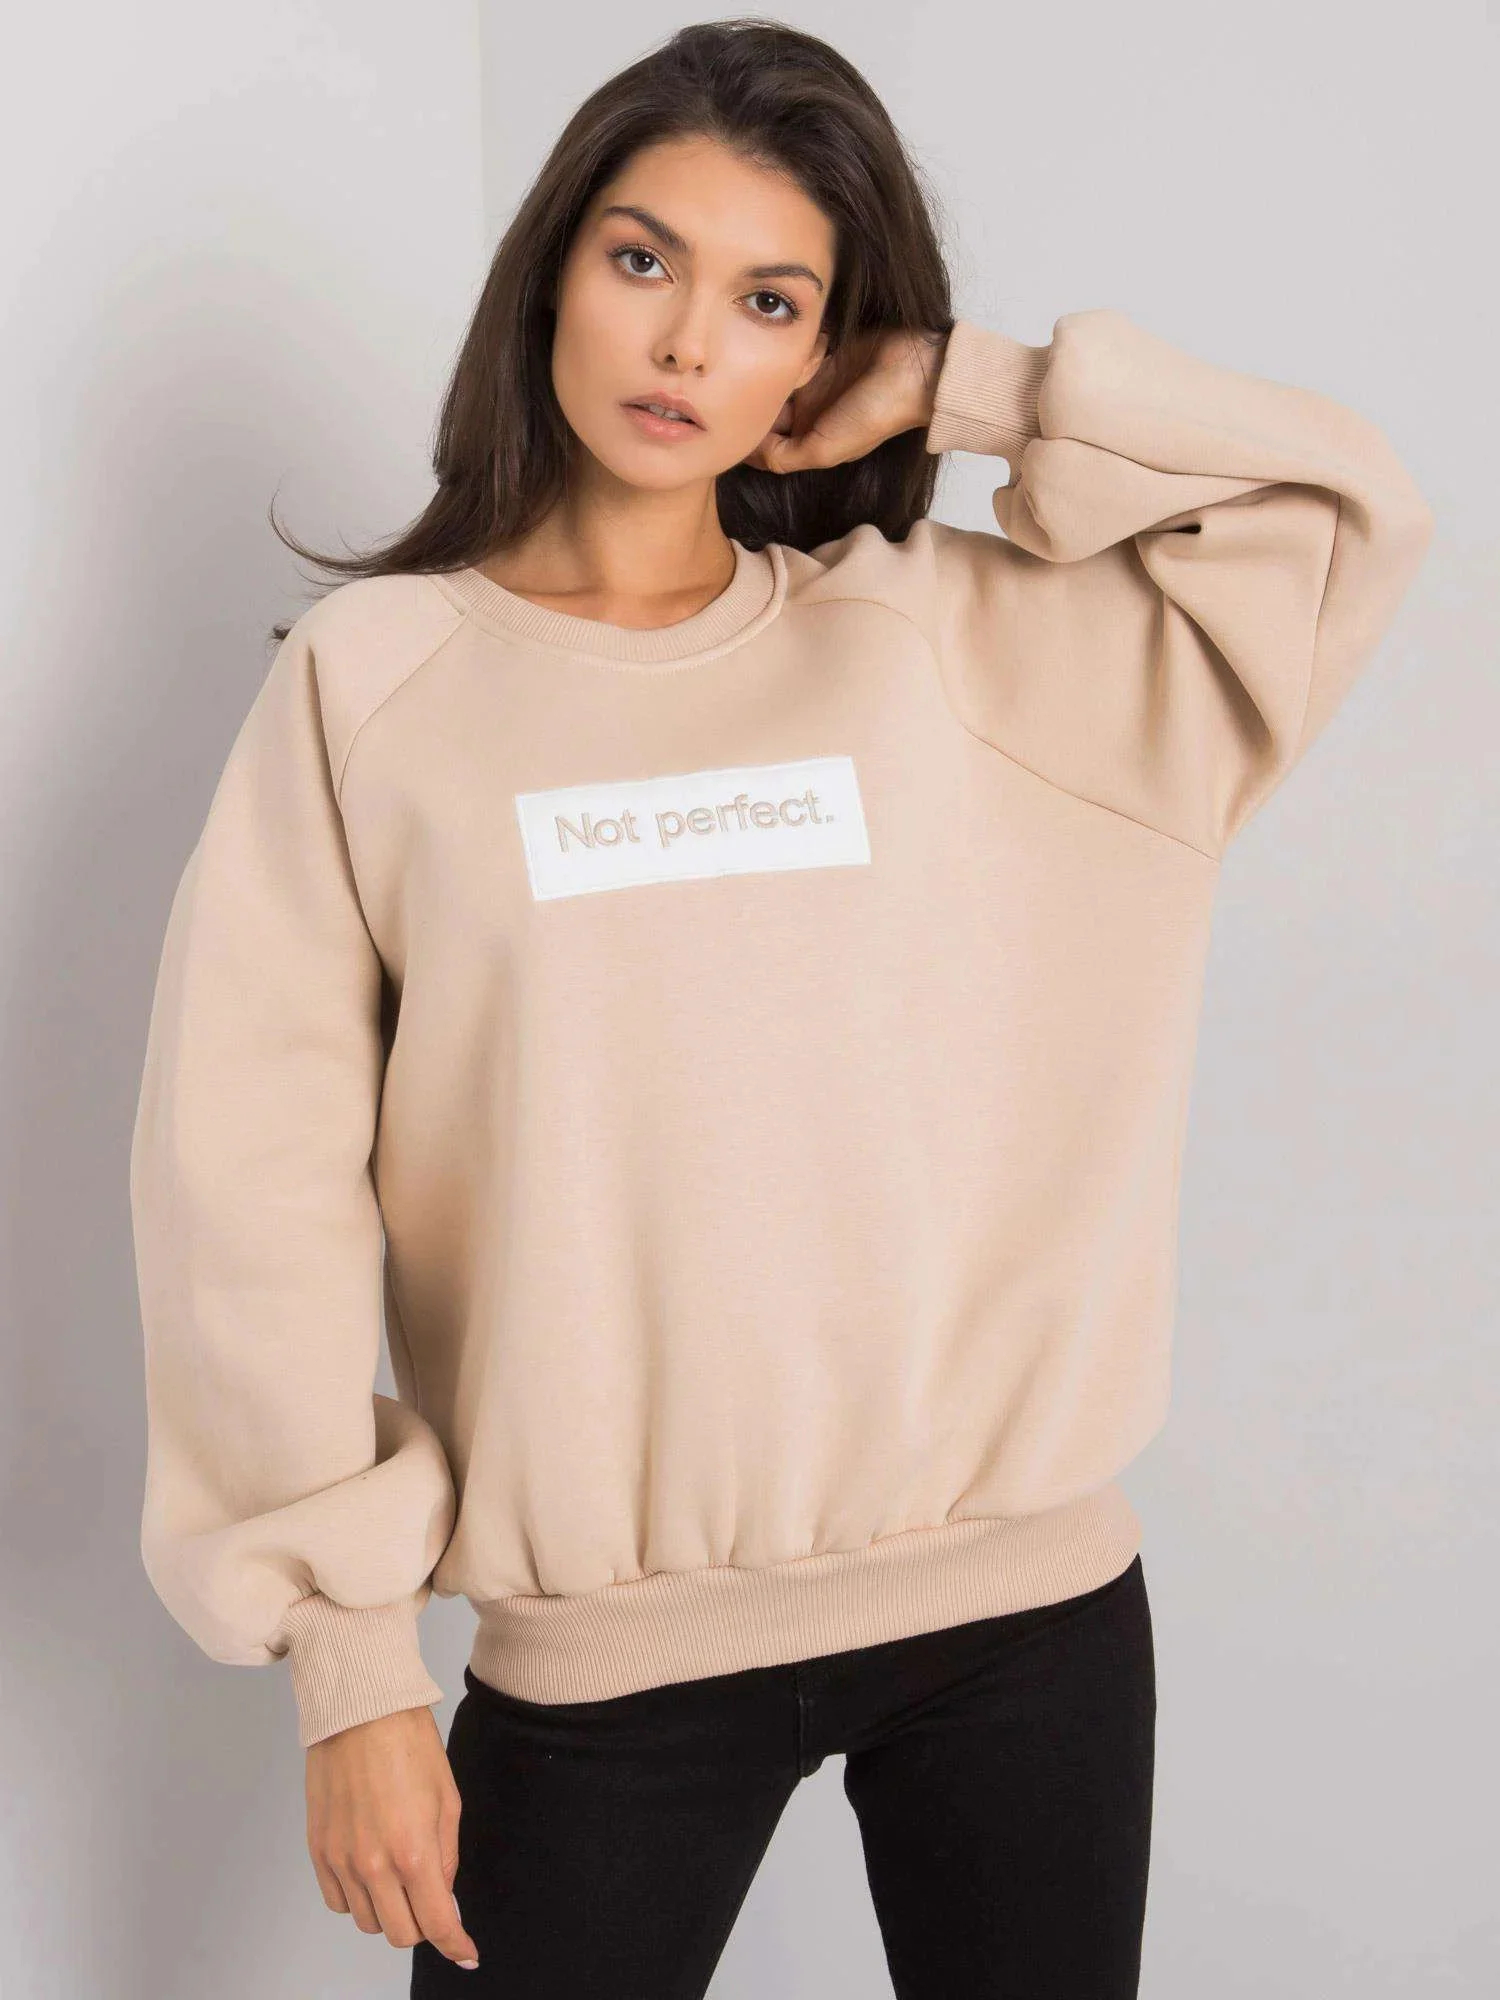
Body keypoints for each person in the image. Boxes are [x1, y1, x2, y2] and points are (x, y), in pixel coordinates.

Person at [126, 18, 1434, 1999]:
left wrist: (971, 385)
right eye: (642, 259)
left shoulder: (954, 639)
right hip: (610, 1671)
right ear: (553, 270)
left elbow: (1333, 521)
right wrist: (349, 1661)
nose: (683, 343)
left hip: (1024, 1629)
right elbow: (252, 1186)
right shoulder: (380, 685)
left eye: (769, 300)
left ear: (824, 350)